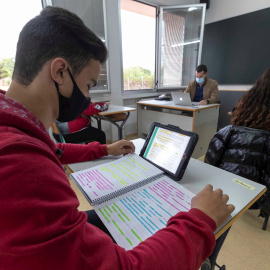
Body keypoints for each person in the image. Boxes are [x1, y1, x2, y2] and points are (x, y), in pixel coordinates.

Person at [0, 6, 234, 270]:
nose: (87, 97)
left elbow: (56, 151)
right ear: (60, 72)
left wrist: (104, 148)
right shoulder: (20, 166)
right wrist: (200, 221)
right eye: (88, 85)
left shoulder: (15, 122)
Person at [203, 68, 270, 269]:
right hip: (255, 197)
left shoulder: (228, 130)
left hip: (222, 190)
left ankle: (207, 257)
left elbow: (210, 164)